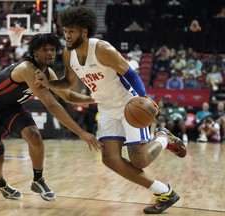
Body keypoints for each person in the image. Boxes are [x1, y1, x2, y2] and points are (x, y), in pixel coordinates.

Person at [35, 6, 187, 214]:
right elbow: (68, 83)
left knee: (139, 159)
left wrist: (143, 98)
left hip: (128, 103)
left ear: (84, 31)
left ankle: (163, 138)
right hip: (105, 108)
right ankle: (165, 192)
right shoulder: (68, 55)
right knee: (109, 159)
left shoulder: (102, 49)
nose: (67, 35)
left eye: (71, 31)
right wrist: (49, 83)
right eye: (65, 30)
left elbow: (131, 74)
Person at [0, 33, 101, 202]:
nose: (50, 53)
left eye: (53, 49)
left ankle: (38, 180)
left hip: (10, 108)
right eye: (45, 50)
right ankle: (0, 182)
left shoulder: (48, 71)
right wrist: (81, 133)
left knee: (34, 136)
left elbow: (67, 95)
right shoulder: (27, 69)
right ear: (34, 52)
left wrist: (92, 99)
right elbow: (53, 105)